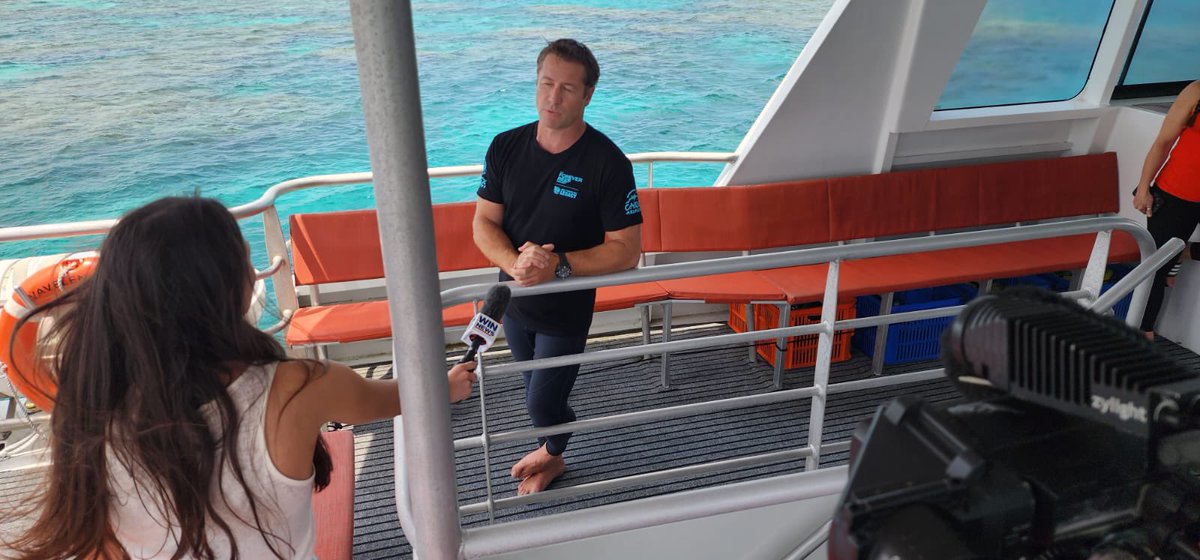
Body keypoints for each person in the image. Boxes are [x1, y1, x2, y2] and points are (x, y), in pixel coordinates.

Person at [6, 197, 476, 559]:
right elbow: (394, 399)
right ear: (230, 290)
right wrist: (449, 385)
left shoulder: (88, 408)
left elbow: (100, 546)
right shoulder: (300, 386)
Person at [472, 39, 642, 495]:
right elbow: (484, 222)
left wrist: (557, 267)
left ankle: (552, 454)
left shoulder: (608, 163)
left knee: (544, 398)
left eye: (568, 88)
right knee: (534, 395)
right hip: (515, 303)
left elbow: (627, 250)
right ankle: (552, 449)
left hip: (566, 307)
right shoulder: (505, 146)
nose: (553, 97)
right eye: (547, 83)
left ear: (588, 96)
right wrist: (517, 265)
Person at [1133, 80, 1200, 339]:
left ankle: (1184, 252)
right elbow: (1163, 141)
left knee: (1166, 260)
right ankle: (1144, 332)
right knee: (1155, 269)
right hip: (1175, 192)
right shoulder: (1196, 91)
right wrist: (1143, 187)